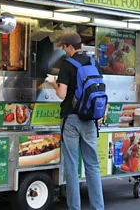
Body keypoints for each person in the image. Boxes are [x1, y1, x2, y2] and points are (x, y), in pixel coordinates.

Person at [52, 32, 105, 210]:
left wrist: (55, 85)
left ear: (70, 47)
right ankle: (98, 207)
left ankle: (75, 207)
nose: (64, 50)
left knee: (72, 166)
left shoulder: (67, 64)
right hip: (90, 120)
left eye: (64, 47)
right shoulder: (93, 62)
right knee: (92, 166)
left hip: (72, 120)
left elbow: (62, 94)